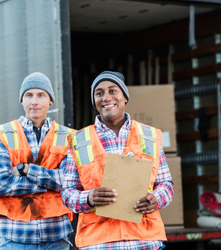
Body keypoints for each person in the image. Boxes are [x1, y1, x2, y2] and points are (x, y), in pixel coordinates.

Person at [61, 71, 174, 249]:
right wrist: (88, 198)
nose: (106, 97)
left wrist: (155, 199)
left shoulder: (149, 136)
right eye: (99, 93)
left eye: (113, 91)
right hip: (98, 243)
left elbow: (166, 184)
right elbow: (67, 193)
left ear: (124, 97)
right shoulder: (79, 141)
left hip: (143, 241)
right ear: (94, 101)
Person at [0, 72, 75, 249]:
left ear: (50, 100)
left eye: (41, 95)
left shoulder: (68, 136)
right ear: (22, 100)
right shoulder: (3, 133)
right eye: (29, 95)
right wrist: (52, 184)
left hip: (56, 236)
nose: (34, 101)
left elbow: (70, 181)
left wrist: (26, 170)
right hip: (15, 237)